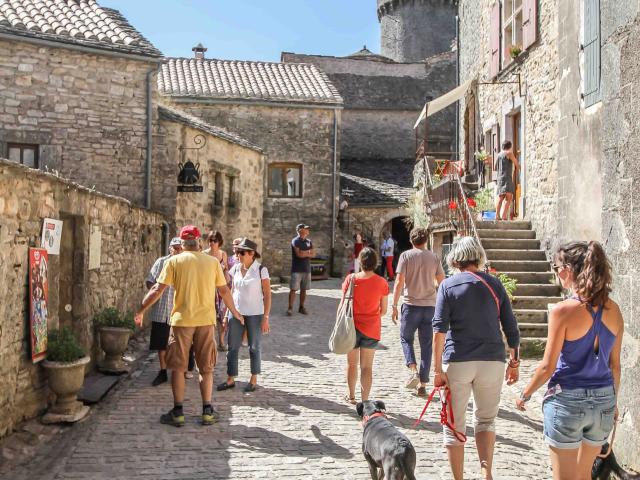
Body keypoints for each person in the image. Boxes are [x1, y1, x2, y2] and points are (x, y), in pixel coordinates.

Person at [516, 241, 623, 480]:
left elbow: (547, 366)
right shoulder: (614, 310)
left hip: (568, 400)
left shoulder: (563, 311)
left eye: (556, 267)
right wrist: (613, 401)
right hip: (603, 399)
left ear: (569, 269)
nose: (556, 272)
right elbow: (615, 366)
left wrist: (525, 394)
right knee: (584, 475)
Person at [135, 225, 244, 427]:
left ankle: (178, 412)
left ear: (183, 243)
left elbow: (158, 289)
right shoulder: (212, 263)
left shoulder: (174, 261)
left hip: (181, 321)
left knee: (178, 367)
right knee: (206, 368)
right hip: (205, 321)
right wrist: (235, 312)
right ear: (199, 242)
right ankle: (207, 410)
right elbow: (224, 291)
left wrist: (141, 310)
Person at [432, 236, 520, 480]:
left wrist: (437, 370)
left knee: (453, 425)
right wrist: (515, 362)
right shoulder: (494, 284)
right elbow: (511, 327)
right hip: (492, 360)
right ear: (477, 257)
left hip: (458, 359)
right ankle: (486, 472)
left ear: (454, 259)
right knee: (485, 421)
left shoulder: (448, 286)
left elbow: (439, 330)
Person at [391, 227, 445, 396]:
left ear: (411, 240)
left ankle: (413, 369)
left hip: (411, 305)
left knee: (406, 338)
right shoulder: (434, 258)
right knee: (427, 345)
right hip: (430, 306)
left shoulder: (406, 256)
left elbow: (399, 281)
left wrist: (393, 305)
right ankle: (422, 383)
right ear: (426, 240)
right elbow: (441, 281)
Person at [217, 238, 271, 393]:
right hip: (237, 313)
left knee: (254, 347)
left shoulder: (261, 270)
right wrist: (227, 314)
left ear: (251, 254)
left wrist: (266, 318)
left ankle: (253, 379)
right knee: (232, 346)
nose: (238, 255)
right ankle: (230, 379)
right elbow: (232, 291)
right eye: (237, 252)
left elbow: (267, 296)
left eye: (241, 252)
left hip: (255, 314)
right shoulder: (235, 269)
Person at [340, 247, 389, 404]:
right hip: (371, 328)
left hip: (351, 327)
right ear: (376, 263)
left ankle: (351, 395)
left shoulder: (351, 279)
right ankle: (365, 401)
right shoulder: (381, 282)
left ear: (359, 262)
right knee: (367, 367)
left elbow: (342, 304)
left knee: (351, 364)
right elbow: (384, 310)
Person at [146, 237, 185, 386]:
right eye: (174, 248)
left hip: (179, 311)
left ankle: (180, 370)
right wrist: (154, 291)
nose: (177, 250)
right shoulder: (161, 262)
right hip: (162, 309)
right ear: (169, 248)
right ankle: (163, 371)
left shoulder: (185, 264)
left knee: (179, 344)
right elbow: (150, 279)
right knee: (160, 343)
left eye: (179, 248)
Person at [204, 230, 230, 351]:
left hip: (220, 289)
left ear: (219, 242)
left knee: (221, 316)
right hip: (207, 289)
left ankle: (221, 341)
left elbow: (226, 270)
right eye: (210, 240)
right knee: (208, 316)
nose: (212, 243)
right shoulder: (203, 254)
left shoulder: (223, 254)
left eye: (214, 240)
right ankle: (210, 342)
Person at [288, 223, 314, 316]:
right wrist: (307, 253)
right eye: (305, 229)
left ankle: (301, 307)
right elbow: (298, 254)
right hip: (297, 269)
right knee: (293, 289)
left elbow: (313, 254)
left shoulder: (309, 241)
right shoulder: (295, 241)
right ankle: (290, 308)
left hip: (306, 269)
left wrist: (304, 253)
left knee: (304, 289)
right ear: (300, 230)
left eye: (307, 229)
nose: (308, 230)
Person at [494, 140, 519, 221]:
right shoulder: (509, 153)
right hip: (507, 178)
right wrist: (518, 168)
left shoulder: (499, 155)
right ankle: (504, 216)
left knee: (501, 197)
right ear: (510, 146)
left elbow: (494, 167)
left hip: (500, 178)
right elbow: (516, 163)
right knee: (509, 197)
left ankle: (497, 215)